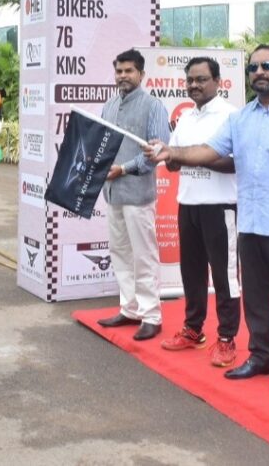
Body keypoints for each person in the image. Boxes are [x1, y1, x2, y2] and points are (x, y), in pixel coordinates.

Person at [147, 44, 269, 393]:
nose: (259, 72)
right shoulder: (241, 118)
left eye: (267, 65)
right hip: (250, 223)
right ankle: (261, 356)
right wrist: (171, 152)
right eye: (253, 68)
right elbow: (209, 151)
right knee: (256, 297)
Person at [159, 57, 241, 367]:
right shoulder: (185, 118)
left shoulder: (232, 116)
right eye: (190, 80)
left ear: (217, 82)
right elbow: (174, 161)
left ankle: (226, 338)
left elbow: (234, 162)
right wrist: (168, 157)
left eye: (201, 79)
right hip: (188, 204)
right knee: (191, 274)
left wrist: (193, 157)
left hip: (220, 207)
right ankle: (193, 330)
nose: (194, 85)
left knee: (225, 276)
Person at [95, 49, 170, 341]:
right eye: (119, 71)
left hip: (138, 194)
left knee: (144, 255)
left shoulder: (153, 107)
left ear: (141, 74)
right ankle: (129, 308)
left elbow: (157, 153)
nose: (123, 76)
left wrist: (123, 169)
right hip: (112, 192)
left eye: (129, 71)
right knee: (120, 252)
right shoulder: (109, 105)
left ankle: (151, 315)